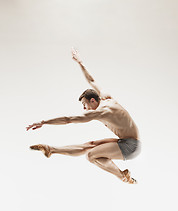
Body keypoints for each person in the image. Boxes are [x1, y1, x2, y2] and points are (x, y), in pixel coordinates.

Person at [26, 48, 141, 184]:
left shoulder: (101, 112)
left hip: (131, 147)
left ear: (92, 100)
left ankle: (123, 176)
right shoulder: (105, 97)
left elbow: (68, 120)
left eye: (85, 105)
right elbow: (91, 80)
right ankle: (51, 150)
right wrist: (81, 63)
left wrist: (44, 122)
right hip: (127, 141)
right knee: (90, 145)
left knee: (91, 155)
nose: (84, 109)